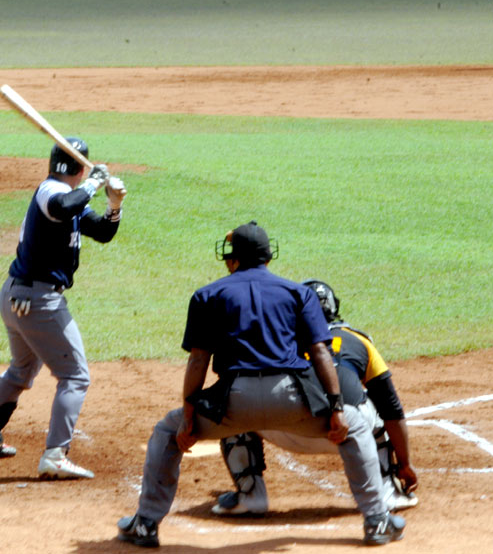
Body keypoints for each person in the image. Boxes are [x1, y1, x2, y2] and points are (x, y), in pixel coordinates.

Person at [116, 221, 405, 548]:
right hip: (293, 399)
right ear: (268, 258)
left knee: (167, 433)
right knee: (355, 427)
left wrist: (188, 414)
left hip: (234, 403)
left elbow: (198, 361)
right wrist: (336, 408)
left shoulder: (207, 295)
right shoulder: (299, 293)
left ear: (233, 259)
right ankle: (377, 520)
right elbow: (320, 354)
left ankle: (146, 524)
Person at [0, 138, 127, 480]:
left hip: (17, 297)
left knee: (21, 370)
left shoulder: (68, 195)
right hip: (38, 300)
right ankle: (55, 455)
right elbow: (63, 206)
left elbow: (100, 231)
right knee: (75, 376)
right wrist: (95, 183)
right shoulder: (50, 191)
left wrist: (114, 206)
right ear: (80, 168)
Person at [211, 279, 418, 517]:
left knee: (242, 407)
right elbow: (393, 409)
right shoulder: (359, 341)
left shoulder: (277, 340)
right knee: (378, 408)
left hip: (288, 428)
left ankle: (250, 496)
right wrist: (404, 464)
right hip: (348, 432)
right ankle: (387, 492)